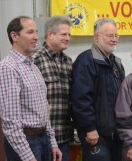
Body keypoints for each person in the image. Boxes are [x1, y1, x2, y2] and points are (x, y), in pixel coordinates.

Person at [0, 16, 62, 161]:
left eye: (36, 32)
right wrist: (28, 157)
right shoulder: (7, 68)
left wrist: (52, 143)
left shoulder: (33, 66)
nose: (36, 37)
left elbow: (44, 109)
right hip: (26, 143)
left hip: (43, 139)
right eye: (30, 32)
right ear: (14, 36)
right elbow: (10, 123)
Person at [70, 18, 125, 161]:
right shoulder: (85, 61)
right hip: (96, 135)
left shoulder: (117, 63)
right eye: (109, 36)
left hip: (116, 134)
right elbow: (81, 99)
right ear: (96, 37)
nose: (114, 39)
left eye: (116, 35)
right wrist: (89, 128)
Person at [32, 16, 73, 161]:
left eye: (69, 35)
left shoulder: (68, 61)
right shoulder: (34, 59)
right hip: (40, 137)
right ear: (50, 34)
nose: (68, 38)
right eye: (64, 34)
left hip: (63, 135)